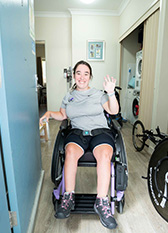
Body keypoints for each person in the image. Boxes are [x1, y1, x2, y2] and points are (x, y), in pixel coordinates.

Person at [39, 60, 119, 229]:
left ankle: (102, 202)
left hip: (100, 132)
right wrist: (48, 113)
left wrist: (111, 93)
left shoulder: (99, 94)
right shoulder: (68, 97)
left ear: (90, 77)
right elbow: (63, 115)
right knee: (70, 152)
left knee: (105, 155)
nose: (82, 77)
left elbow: (114, 111)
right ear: (74, 75)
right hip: (77, 133)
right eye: (78, 73)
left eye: (86, 73)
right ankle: (68, 198)